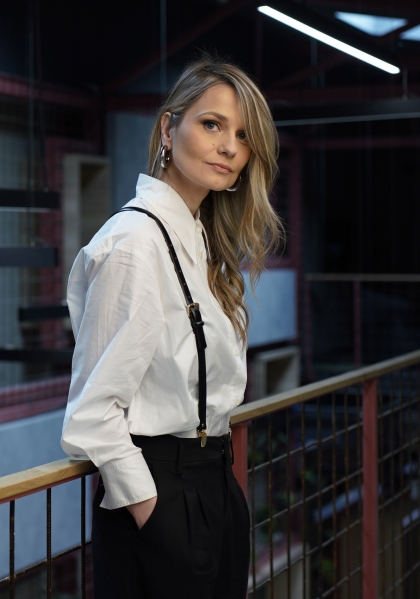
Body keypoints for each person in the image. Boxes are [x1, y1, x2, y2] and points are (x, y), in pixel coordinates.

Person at [61, 55, 283, 599]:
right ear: (168, 128)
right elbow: (92, 411)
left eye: (243, 136)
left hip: (214, 484)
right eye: (212, 124)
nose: (229, 147)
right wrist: (152, 510)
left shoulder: (197, 240)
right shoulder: (135, 243)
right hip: (162, 496)